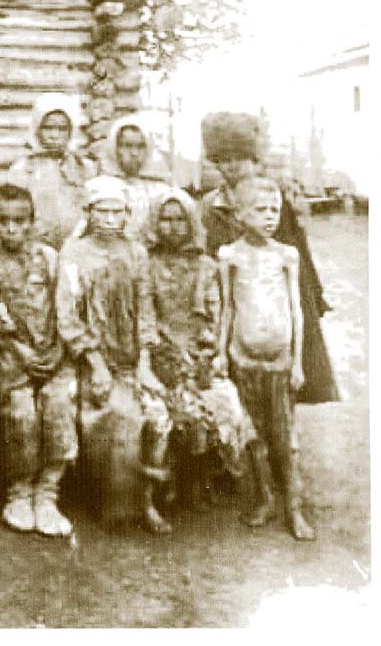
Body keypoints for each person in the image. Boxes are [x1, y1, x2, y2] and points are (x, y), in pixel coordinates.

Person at [57, 176, 173, 534]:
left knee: (157, 415)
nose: (109, 218)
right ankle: (113, 499)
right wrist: (96, 365)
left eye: (116, 211)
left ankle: (147, 500)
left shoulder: (136, 252)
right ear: (88, 212)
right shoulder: (73, 254)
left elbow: (145, 309)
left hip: (131, 357)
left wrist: (144, 365)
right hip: (89, 358)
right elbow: (68, 314)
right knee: (111, 412)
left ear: (127, 214)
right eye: (101, 211)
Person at [199, 112, 338, 404]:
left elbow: (298, 251)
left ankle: (286, 421)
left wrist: (311, 293)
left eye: (240, 157)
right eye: (224, 158)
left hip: (275, 291)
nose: (232, 165)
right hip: (235, 290)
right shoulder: (212, 205)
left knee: (285, 363)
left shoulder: (273, 199)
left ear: (254, 158)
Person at [213, 177, 316, 541]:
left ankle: (294, 507)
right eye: (260, 209)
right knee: (253, 435)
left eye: (274, 210)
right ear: (239, 214)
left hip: (279, 362)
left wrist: (298, 362)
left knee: (285, 438)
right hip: (245, 361)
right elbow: (226, 307)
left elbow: (297, 310)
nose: (270, 217)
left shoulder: (286, 254)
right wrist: (220, 354)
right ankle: (265, 498)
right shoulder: (229, 255)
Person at [146, 188, 256, 509]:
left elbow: (215, 314)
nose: (173, 227)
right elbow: (145, 317)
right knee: (171, 407)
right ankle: (171, 479)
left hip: (198, 353)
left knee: (222, 403)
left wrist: (207, 350)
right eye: (165, 220)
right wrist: (166, 351)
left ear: (192, 223)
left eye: (180, 219)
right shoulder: (146, 264)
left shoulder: (206, 267)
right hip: (158, 354)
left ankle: (201, 476)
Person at [0, 185, 73, 535]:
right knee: (21, 412)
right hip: (11, 358)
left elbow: (67, 307)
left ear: (32, 222)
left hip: (54, 354)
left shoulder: (50, 259)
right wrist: (20, 351)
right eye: (3, 221)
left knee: (58, 404)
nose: (12, 229)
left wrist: (58, 351)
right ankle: (18, 492)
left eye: (20, 221)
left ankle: (48, 493)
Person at [7, 93, 97, 250]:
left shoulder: (85, 168)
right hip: (37, 248)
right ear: (37, 129)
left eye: (62, 129)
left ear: (71, 131)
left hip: (78, 248)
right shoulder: (23, 169)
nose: (54, 135)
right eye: (48, 128)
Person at [101, 113, 175, 243]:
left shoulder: (161, 191)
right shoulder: (101, 188)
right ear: (116, 148)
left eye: (140, 146)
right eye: (127, 146)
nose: (134, 153)